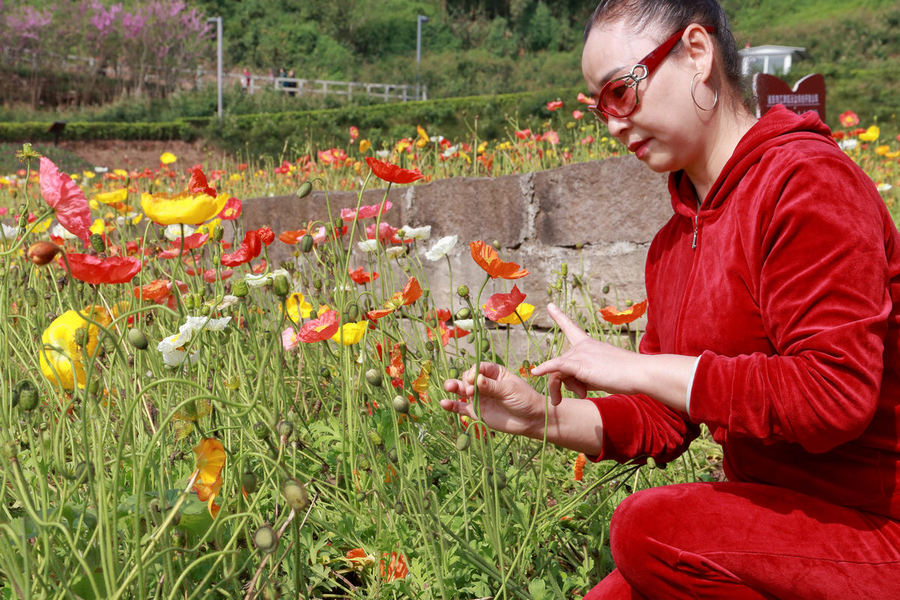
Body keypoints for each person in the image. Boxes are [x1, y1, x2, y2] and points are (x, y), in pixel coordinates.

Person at [440, 0, 900, 598]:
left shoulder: (807, 183)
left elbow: (833, 396)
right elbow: (665, 418)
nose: (611, 122)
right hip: (775, 521)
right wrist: (541, 418)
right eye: (598, 106)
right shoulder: (673, 243)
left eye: (620, 93)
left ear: (696, 54)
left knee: (646, 528)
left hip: (876, 525)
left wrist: (630, 365)